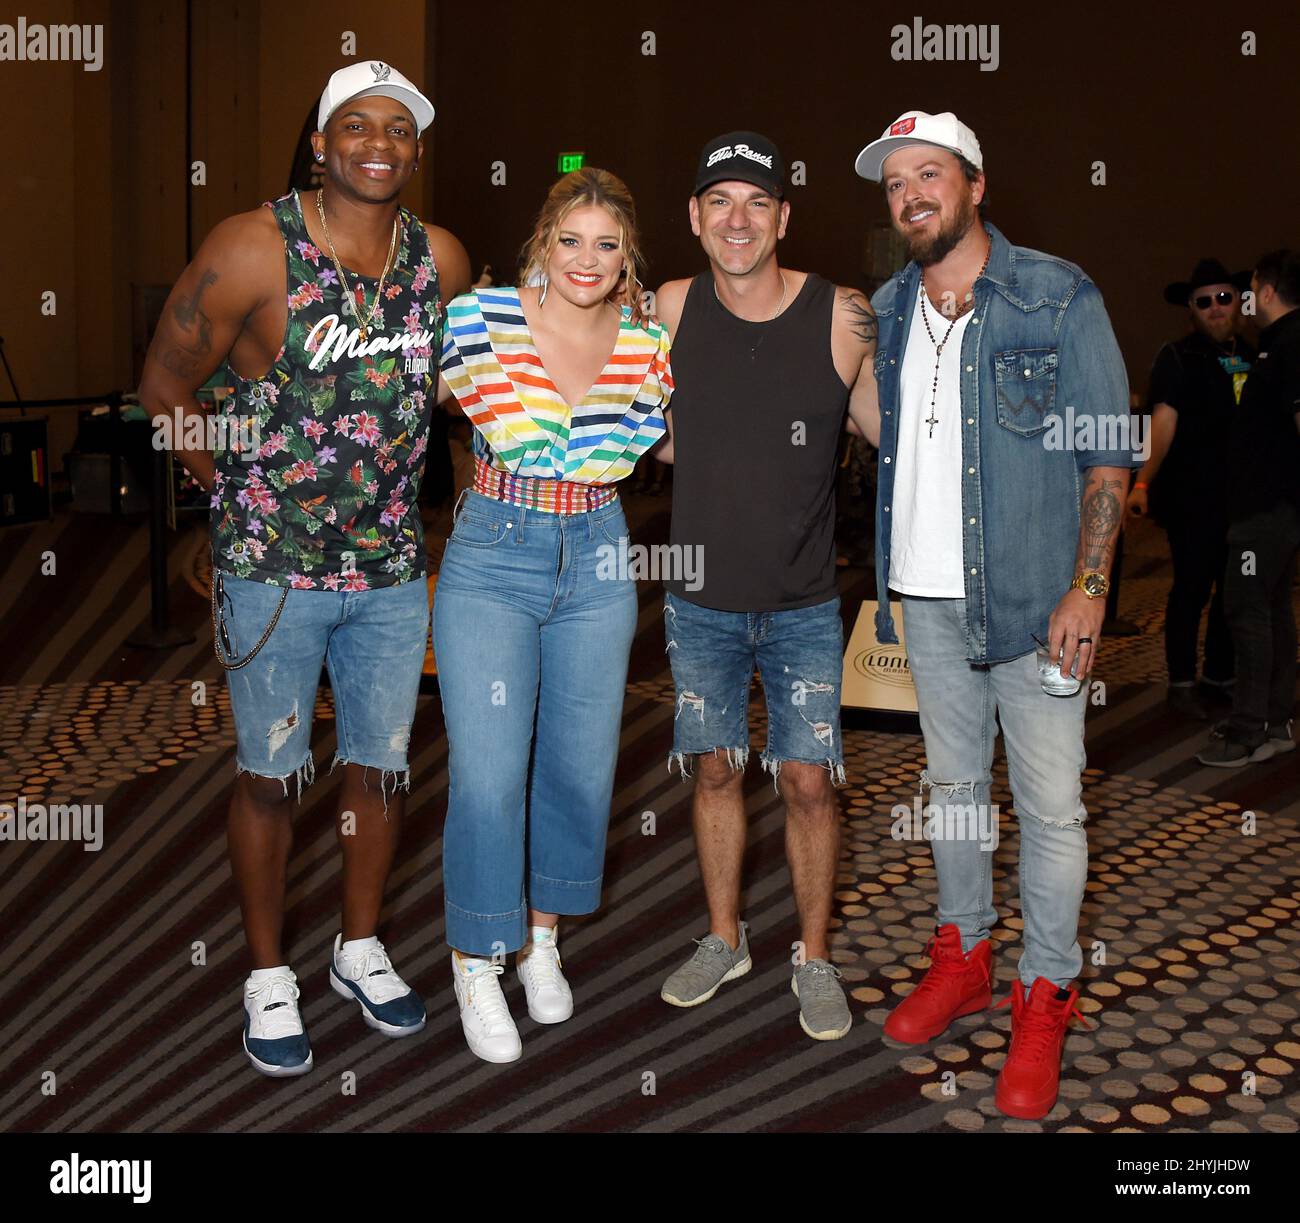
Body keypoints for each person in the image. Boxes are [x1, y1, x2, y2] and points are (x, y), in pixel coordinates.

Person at [139, 61, 471, 1077]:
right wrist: (226, 495)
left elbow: (458, 393)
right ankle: (268, 971)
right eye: (356, 125)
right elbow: (162, 385)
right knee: (273, 776)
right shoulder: (253, 245)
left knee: (380, 764)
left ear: (414, 149)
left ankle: (359, 945)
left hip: (386, 571)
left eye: (400, 128)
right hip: (271, 572)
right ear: (320, 144)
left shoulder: (443, 259)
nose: (381, 141)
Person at [855, 110, 1137, 1118]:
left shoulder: (1056, 293)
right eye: (894, 183)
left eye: (928, 174)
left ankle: (1044, 989)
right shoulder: (887, 306)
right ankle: (964, 954)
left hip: (1035, 603)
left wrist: (1089, 584)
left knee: (1052, 806)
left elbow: (1109, 446)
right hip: (924, 599)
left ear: (975, 184)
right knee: (953, 787)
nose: (910, 195)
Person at [433, 167, 672, 1063]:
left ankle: (541, 940)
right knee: (489, 772)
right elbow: (409, 407)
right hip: (495, 551)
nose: (588, 259)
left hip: (600, 554)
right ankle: (475, 959)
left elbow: (685, 434)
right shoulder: (479, 318)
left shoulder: (646, 345)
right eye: (571, 239)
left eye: (607, 245)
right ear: (543, 241)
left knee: (577, 767)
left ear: (627, 258)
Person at [651, 132, 879, 1041]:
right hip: (697, 597)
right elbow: (648, 426)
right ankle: (723, 936)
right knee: (713, 767)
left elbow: (887, 429)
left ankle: (813, 954)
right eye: (720, 202)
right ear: (696, 218)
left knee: (808, 780)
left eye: (757, 203)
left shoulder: (842, 313)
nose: (737, 220)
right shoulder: (669, 304)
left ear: (784, 216)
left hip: (803, 603)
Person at [1128, 259, 1253, 720]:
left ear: (1238, 302)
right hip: (1193, 502)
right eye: (1205, 302)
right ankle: (1181, 683)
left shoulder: (1256, 355)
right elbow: (1163, 424)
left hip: (1243, 501)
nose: (1216, 309)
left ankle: (1220, 677)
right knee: (1191, 590)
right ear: (1191, 312)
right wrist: (1142, 482)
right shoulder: (1178, 358)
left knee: (1233, 593)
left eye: (1224, 298)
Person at [1198, 249, 1300, 767]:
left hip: (1266, 512)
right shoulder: (1278, 344)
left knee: (1248, 613)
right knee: (1274, 612)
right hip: (1270, 508)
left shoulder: (1290, 345)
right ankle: (1277, 720)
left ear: (1264, 289)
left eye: (1249, 288)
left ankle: (1249, 730)